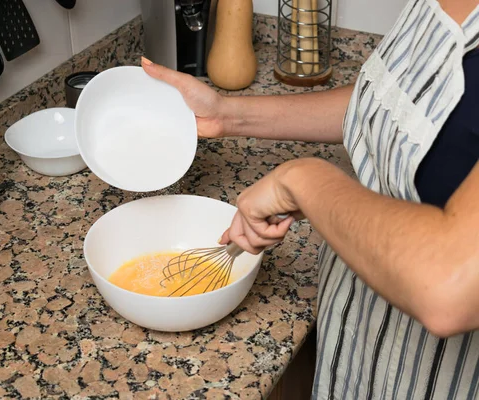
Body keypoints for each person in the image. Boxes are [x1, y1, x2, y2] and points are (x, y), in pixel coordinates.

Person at [141, 0, 479, 398]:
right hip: (361, 337)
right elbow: (394, 104)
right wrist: (229, 114)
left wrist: (303, 181)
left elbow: (449, 286)